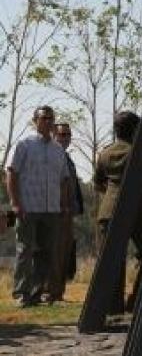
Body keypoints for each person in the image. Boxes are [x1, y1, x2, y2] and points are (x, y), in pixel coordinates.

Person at [5, 106, 70, 307]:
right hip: (28, 206)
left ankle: (36, 293)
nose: (48, 122)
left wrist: (64, 204)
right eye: (44, 118)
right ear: (35, 121)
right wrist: (15, 203)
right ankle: (21, 293)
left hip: (50, 209)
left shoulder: (58, 150)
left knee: (46, 252)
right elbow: (11, 173)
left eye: (51, 118)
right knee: (25, 250)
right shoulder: (24, 145)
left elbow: (64, 179)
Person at [94, 111, 142, 313]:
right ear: (135, 129)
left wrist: (112, 196)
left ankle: (113, 306)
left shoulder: (104, 154)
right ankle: (137, 299)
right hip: (138, 210)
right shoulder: (141, 153)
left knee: (111, 260)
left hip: (109, 210)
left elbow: (98, 183)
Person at [45, 122, 85, 303]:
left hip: (69, 213)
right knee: (55, 252)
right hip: (57, 211)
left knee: (64, 253)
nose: (66, 138)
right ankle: (50, 293)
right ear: (54, 135)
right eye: (61, 134)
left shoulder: (66, 157)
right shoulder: (51, 155)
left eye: (68, 134)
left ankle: (58, 293)